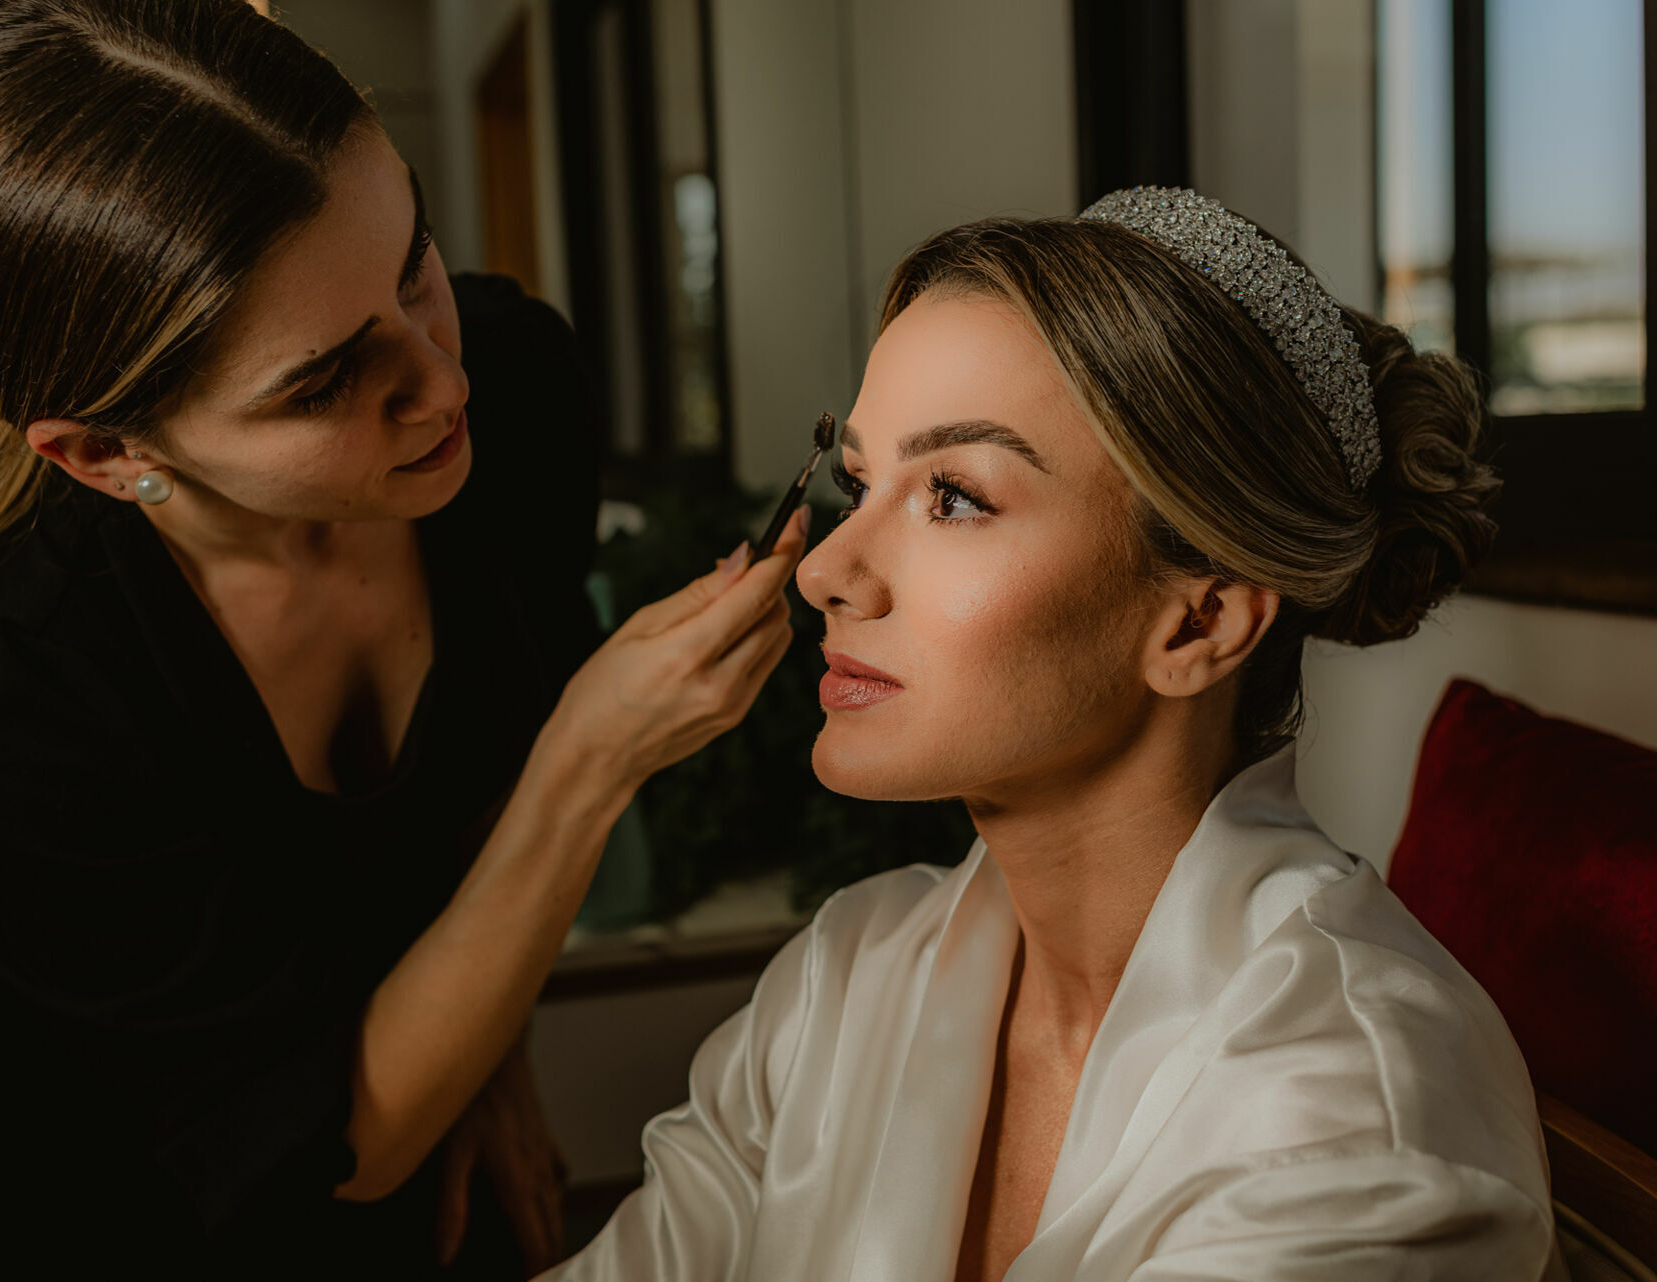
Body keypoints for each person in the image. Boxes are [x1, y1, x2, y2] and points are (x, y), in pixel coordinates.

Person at [0, 2, 804, 1277]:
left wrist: (488, 1051)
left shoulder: (512, 387)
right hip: (139, 1207)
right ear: (110, 455)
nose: (440, 383)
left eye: (414, 262)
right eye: (326, 380)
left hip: (432, 1140)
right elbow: (336, 1146)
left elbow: (473, 803)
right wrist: (594, 758)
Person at [547, 191, 1562, 1282]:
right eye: (858, 481)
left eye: (955, 497)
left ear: (1200, 619)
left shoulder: (1352, 1114)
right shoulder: (841, 985)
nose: (825, 570)